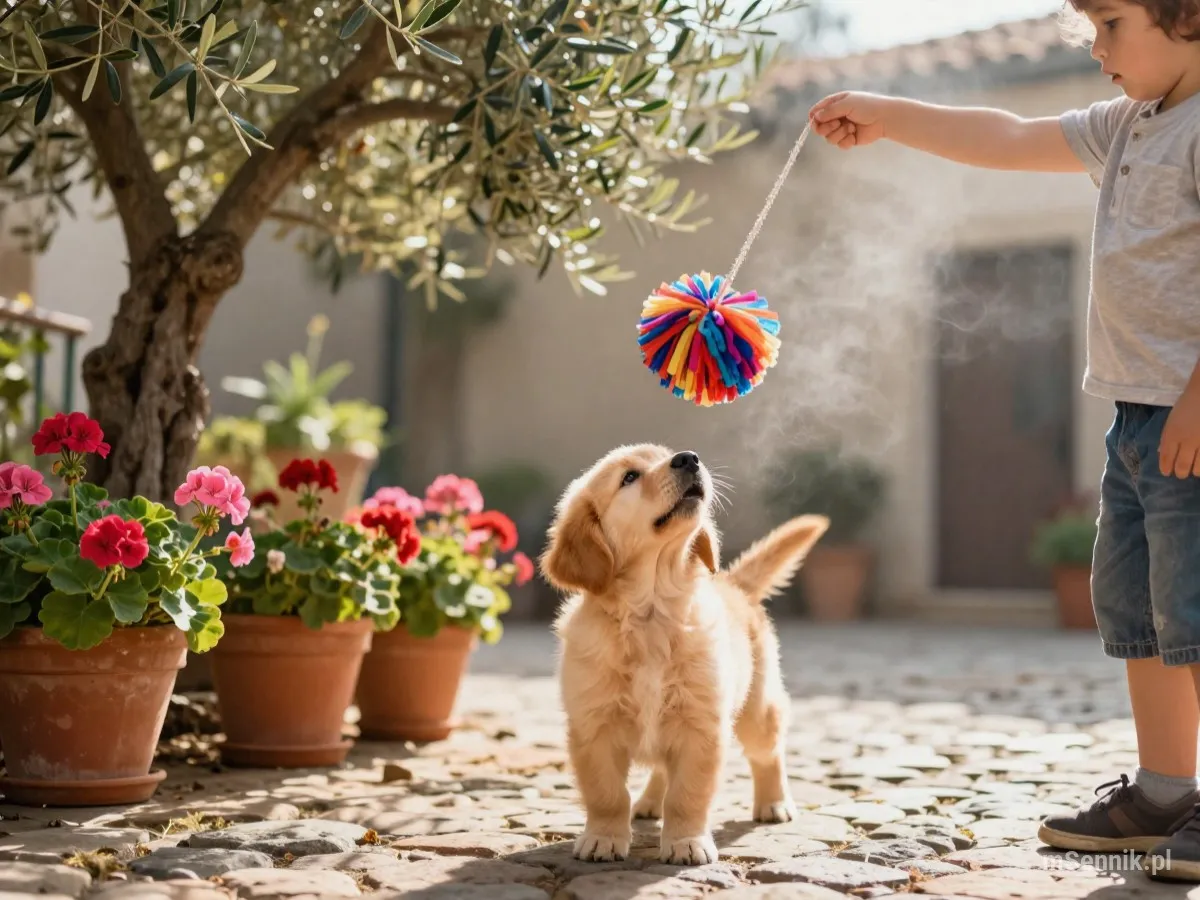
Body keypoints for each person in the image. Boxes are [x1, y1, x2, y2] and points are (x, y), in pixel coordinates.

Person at [808, 0, 1200, 881]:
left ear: (1186, 14)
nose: (1095, 49)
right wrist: (888, 113)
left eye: (1110, 25)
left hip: (1191, 424)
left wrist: (1198, 405)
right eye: (1089, 29)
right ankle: (1168, 791)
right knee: (1141, 614)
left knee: (1197, 615)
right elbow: (1011, 134)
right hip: (1137, 420)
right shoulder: (1128, 124)